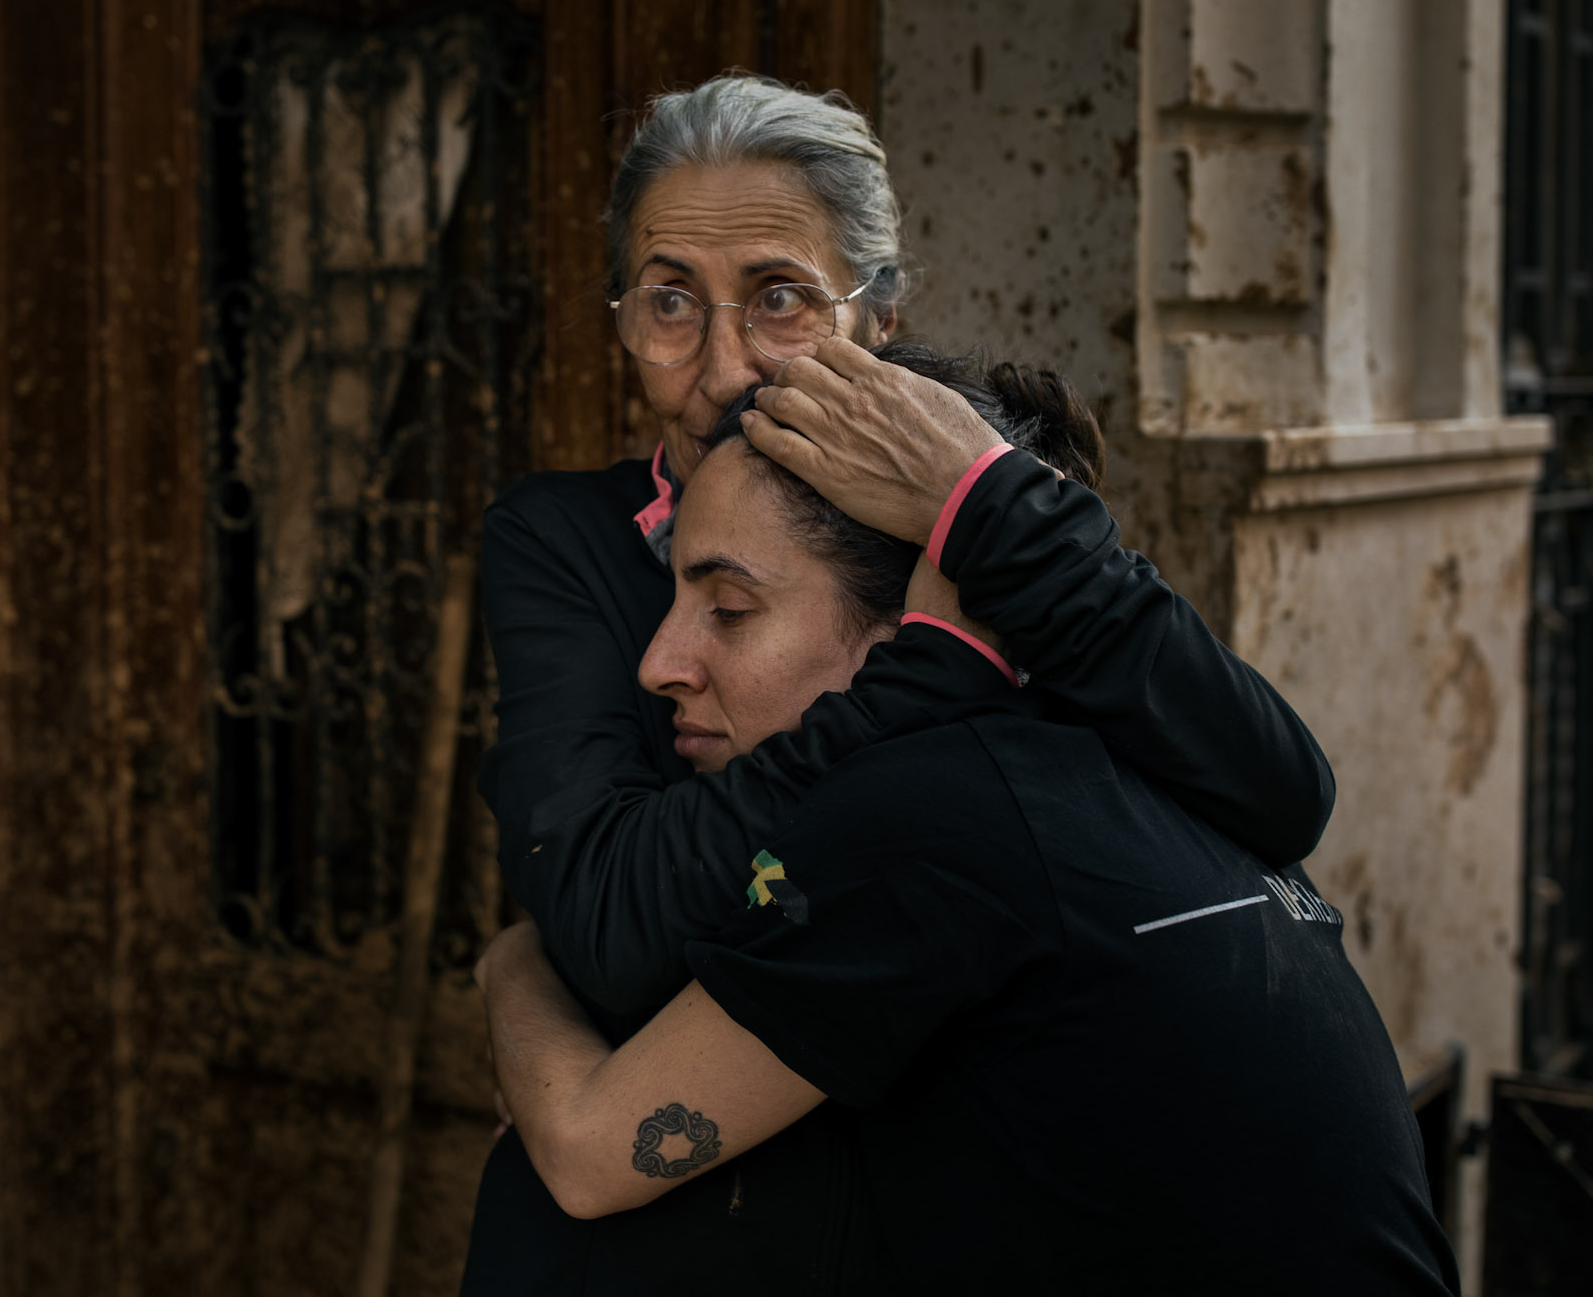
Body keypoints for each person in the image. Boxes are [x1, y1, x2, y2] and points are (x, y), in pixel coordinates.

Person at [462, 75, 1334, 1290]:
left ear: (877, 317)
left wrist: (985, 504)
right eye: (668, 302)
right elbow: (612, 926)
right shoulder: (562, 537)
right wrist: (934, 672)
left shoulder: (968, 534)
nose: (718, 370)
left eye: (778, 300)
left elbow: (1274, 793)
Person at [475, 348, 1461, 1295]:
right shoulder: (1107, 751)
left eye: (728, 608)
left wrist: (516, 961)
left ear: (913, 620)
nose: (658, 664)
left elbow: (588, 1153)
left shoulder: (933, 816)